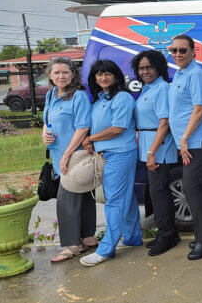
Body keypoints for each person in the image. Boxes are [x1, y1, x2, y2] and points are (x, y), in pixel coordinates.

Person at [80, 60, 142, 266]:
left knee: (114, 201)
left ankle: (106, 249)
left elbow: (118, 128)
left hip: (121, 153)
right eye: (99, 74)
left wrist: (91, 139)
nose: (103, 78)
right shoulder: (99, 100)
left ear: (116, 76)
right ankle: (133, 238)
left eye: (107, 74)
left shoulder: (122, 97)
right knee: (126, 197)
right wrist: (90, 142)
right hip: (107, 155)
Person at [168, 35, 202, 260]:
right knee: (200, 189)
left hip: (195, 143)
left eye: (183, 51)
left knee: (192, 190)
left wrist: (185, 137)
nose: (178, 54)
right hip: (187, 143)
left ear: (193, 52)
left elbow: (199, 109)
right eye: (174, 50)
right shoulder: (180, 73)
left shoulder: (196, 74)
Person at [42, 57, 96, 263]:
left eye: (65, 72)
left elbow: (83, 127)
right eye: (56, 72)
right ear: (50, 75)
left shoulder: (79, 96)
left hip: (74, 155)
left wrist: (67, 155)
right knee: (82, 197)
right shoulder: (50, 95)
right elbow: (47, 121)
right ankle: (88, 239)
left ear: (73, 74)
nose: (61, 76)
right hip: (58, 156)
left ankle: (71, 245)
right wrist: (43, 135)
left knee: (67, 201)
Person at [131, 50, 180, 256]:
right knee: (157, 192)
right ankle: (169, 233)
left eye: (149, 67)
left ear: (158, 67)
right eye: (141, 68)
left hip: (158, 148)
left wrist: (152, 152)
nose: (145, 71)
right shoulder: (148, 89)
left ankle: (166, 235)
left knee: (159, 194)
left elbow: (164, 122)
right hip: (148, 144)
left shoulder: (161, 88)